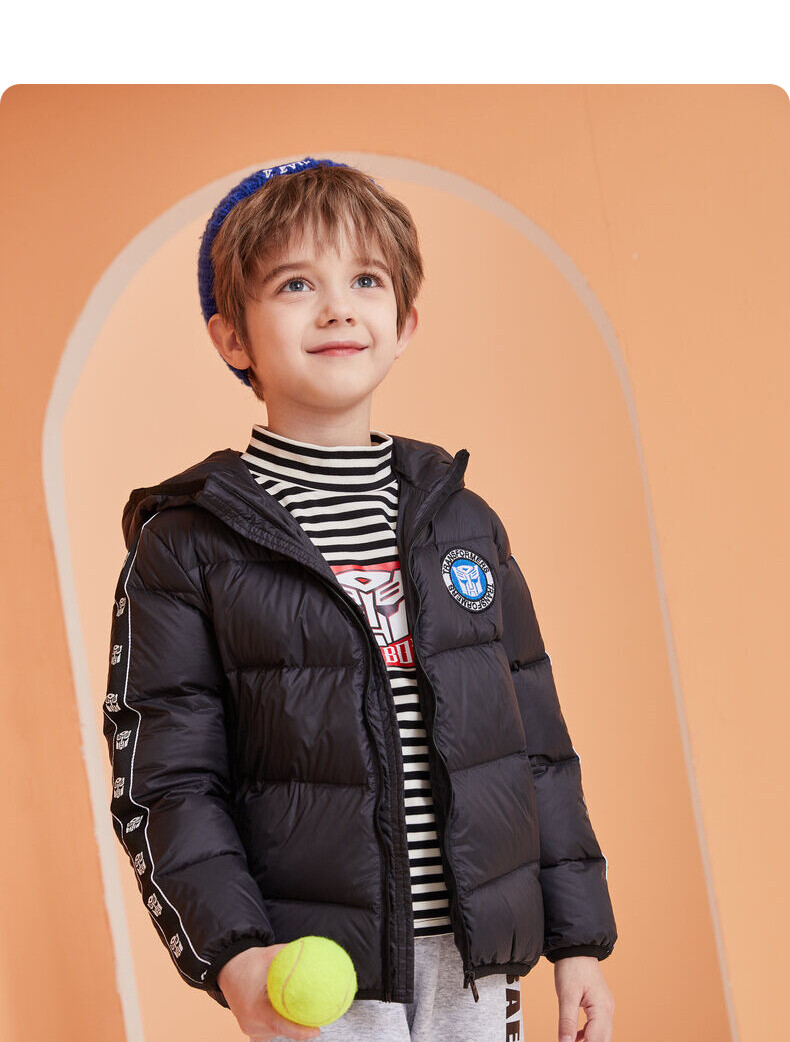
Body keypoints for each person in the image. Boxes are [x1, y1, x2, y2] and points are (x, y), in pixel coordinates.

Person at [103, 156, 617, 1042]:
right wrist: (236, 953)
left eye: (366, 280)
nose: (338, 307)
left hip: (475, 963)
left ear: (404, 322)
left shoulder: (462, 521)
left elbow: (538, 750)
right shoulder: (186, 544)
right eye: (296, 283)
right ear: (232, 339)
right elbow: (169, 783)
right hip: (317, 969)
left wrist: (578, 941)